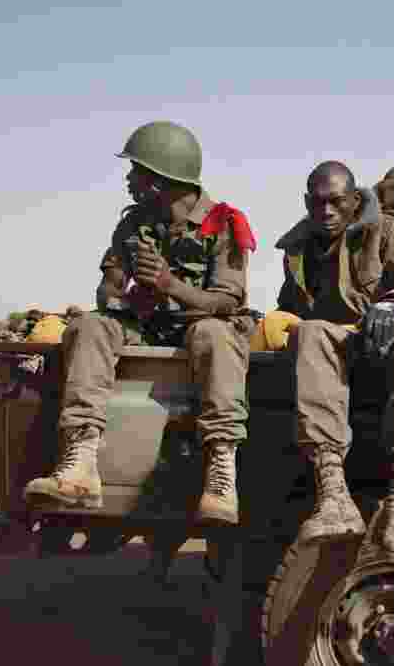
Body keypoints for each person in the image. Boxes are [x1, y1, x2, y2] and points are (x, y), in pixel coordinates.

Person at [24, 121, 256, 526]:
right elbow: (107, 293)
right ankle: (80, 462)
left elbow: (228, 300)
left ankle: (221, 473)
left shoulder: (223, 223)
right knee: (91, 326)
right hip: (146, 323)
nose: (130, 180)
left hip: (201, 325)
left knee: (216, 334)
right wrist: (131, 295)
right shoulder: (133, 225)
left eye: (136, 172)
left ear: (159, 180)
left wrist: (170, 285)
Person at [279, 161, 394, 567]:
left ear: (355, 201)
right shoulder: (300, 249)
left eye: (336, 202)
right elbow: (292, 309)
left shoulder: (391, 231)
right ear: (308, 202)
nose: (326, 212)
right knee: (310, 332)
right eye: (317, 203)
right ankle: (334, 497)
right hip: (345, 345)